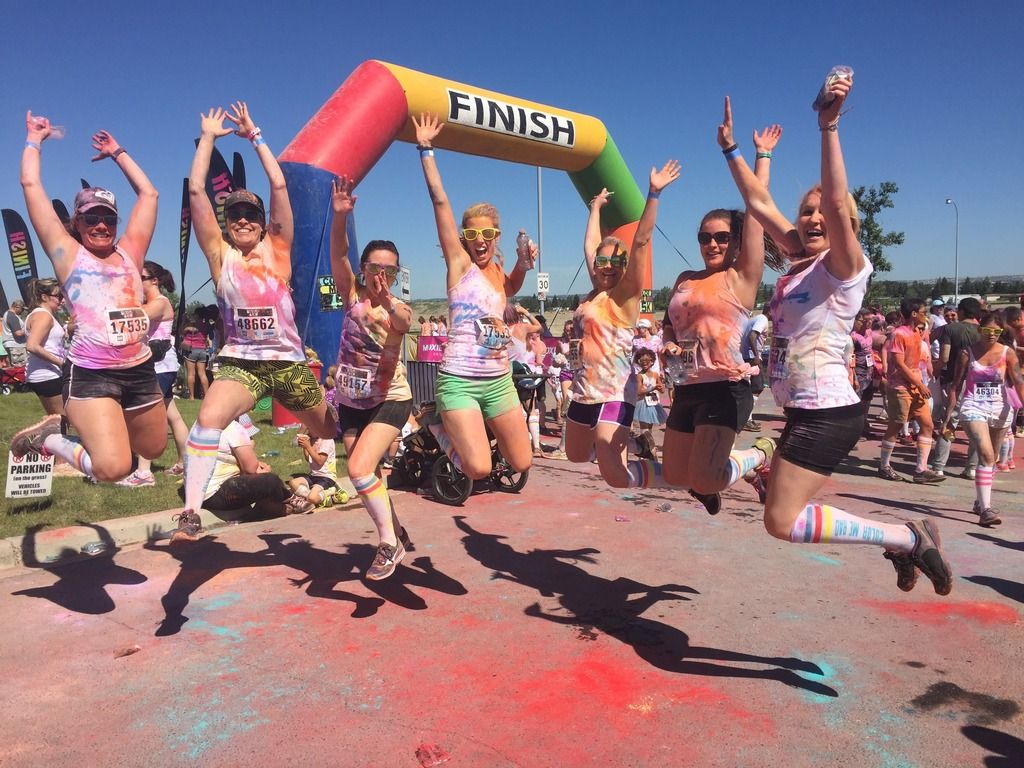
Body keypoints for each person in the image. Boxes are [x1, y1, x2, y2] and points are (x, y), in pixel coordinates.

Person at [723, 74, 952, 595]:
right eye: (806, 212)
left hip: (829, 413)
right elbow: (759, 204)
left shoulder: (844, 266)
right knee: (777, 511)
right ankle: (901, 539)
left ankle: (905, 538)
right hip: (804, 411)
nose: (813, 217)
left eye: (825, 211)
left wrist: (828, 126)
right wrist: (733, 150)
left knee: (780, 521)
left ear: (844, 221)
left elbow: (837, 194)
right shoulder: (801, 262)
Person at [176, 102, 337, 543]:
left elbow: (279, 183)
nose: (243, 220)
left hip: (287, 363)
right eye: (234, 216)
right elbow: (195, 194)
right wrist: (207, 139)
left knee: (329, 428)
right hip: (242, 363)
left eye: (251, 215)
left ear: (264, 225)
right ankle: (190, 512)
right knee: (208, 417)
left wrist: (255, 136)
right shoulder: (220, 257)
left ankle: (346, 458)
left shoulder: (277, 251)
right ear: (226, 225)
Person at [12, 115, 167, 483]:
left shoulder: (131, 252)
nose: (101, 225)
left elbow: (150, 195)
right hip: (90, 371)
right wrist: (34, 140)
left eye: (108, 218)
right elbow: (30, 183)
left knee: (154, 448)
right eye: (91, 217)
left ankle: (94, 436)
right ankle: (52, 441)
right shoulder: (67, 253)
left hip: (140, 368)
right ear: (77, 223)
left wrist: (118, 153)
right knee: (113, 468)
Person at [660, 100, 779, 513]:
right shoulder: (683, 280)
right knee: (675, 477)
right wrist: (669, 344)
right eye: (705, 237)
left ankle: (758, 455)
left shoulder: (741, 276)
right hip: (687, 385)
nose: (712, 244)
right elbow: (668, 327)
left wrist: (747, 153)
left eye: (722, 237)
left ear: (735, 241)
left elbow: (756, 209)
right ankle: (710, 479)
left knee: (705, 476)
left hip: (727, 387)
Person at [412, 113, 536, 480]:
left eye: (488, 234)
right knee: (479, 468)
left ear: (496, 236)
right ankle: (436, 423)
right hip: (461, 379)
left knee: (522, 462)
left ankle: (459, 426)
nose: (480, 240)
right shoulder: (459, 264)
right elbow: (440, 202)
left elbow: (508, 291)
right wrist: (426, 150)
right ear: (464, 236)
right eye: (473, 233)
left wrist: (523, 264)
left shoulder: (496, 271)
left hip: (498, 379)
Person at [564, 161, 680, 489]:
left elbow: (641, 242)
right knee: (574, 454)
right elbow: (590, 245)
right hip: (583, 393)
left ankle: (681, 479)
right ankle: (626, 450)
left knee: (613, 472)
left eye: (617, 262)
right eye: (603, 261)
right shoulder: (593, 292)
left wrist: (654, 193)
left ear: (625, 267)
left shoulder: (623, 297)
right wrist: (595, 208)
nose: (608, 267)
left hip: (614, 392)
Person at [329, 175, 415, 579]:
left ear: (397, 275)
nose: (382, 275)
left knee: (360, 470)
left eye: (390, 270)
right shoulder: (350, 294)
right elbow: (337, 254)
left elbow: (404, 322)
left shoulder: (395, 306)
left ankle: (388, 543)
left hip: (390, 399)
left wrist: (386, 300)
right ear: (364, 268)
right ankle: (395, 529)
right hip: (350, 401)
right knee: (370, 473)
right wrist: (340, 218)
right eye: (375, 267)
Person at [942, 312, 1024, 526]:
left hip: (1001, 409)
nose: (991, 335)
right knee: (986, 454)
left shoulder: (1008, 353)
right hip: (973, 407)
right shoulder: (966, 353)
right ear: (980, 331)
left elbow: (1018, 382)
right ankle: (986, 511)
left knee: (992, 459)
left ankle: (980, 501)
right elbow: (956, 387)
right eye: (987, 331)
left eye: (996, 331)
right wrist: (948, 417)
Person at [117, 262, 189, 486]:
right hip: (159, 366)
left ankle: (144, 472)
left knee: (147, 418)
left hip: (158, 367)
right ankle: (187, 463)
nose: (136, 282)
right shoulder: (151, 302)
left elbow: (134, 319)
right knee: (172, 416)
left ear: (155, 281)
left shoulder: (160, 303)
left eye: (141, 277)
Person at [180, 418, 314, 516]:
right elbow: (250, 469)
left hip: (195, 494)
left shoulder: (200, 423)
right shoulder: (232, 427)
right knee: (269, 480)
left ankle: (271, 503)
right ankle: (289, 499)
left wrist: (256, 467)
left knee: (262, 478)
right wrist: (262, 472)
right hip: (217, 495)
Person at [877, 299, 943, 483]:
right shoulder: (899, 334)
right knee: (896, 425)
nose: (925, 314)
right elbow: (898, 363)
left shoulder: (916, 333)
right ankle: (884, 465)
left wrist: (924, 378)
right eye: (923, 311)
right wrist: (920, 384)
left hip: (916, 385)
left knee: (927, 425)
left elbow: (920, 359)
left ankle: (921, 469)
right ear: (914, 314)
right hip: (900, 387)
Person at [931, 297, 982, 478]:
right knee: (977, 427)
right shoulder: (984, 332)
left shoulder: (951, 329)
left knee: (949, 422)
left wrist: (934, 370)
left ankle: (938, 467)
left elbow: (944, 357)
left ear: (961, 311)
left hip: (956, 381)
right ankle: (972, 468)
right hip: (979, 384)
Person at [23, 279, 66, 415]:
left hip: (45, 374)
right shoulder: (43, 316)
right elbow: (32, 345)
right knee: (61, 419)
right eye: (59, 296)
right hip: (47, 375)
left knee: (58, 419)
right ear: (44, 297)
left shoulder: (40, 314)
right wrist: (61, 363)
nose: (62, 300)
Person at [288, 428, 339, 507]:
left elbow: (320, 461)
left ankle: (331, 492)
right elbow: (308, 459)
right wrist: (305, 447)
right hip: (313, 475)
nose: (309, 432)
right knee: (293, 483)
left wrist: (308, 446)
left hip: (326, 477)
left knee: (312, 498)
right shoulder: (312, 439)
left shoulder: (326, 440)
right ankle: (314, 497)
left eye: (310, 428)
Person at [740, 305, 770, 431]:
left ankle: (746, 418)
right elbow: (752, 335)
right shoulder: (763, 319)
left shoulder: (754, 319)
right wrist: (756, 356)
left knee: (748, 388)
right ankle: (747, 419)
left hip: (744, 356)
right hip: (752, 358)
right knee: (757, 388)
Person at [632, 348, 666, 448]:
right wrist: (652, 388)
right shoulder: (640, 376)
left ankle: (648, 447)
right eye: (642, 362)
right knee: (644, 428)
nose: (644, 364)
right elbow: (639, 392)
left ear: (652, 362)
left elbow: (662, 390)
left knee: (650, 427)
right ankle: (645, 446)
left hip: (653, 402)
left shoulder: (655, 375)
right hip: (643, 403)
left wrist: (660, 387)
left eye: (647, 361)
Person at [180, 317, 211, 399]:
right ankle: (207, 395)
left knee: (191, 374)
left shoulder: (190, 327)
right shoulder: (206, 326)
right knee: (202, 374)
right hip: (202, 350)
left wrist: (184, 321)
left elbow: (181, 331)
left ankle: (192, 396)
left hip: (191, 350)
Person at [2, 299, 27, 367]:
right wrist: (29, 329)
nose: (22, 311)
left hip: (12, 346)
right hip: (16, 347)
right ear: (17, 307)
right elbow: (18, 333)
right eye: (22, 309)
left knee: (15, 368)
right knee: (20, 368)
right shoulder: (12, 316)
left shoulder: (7, 314)